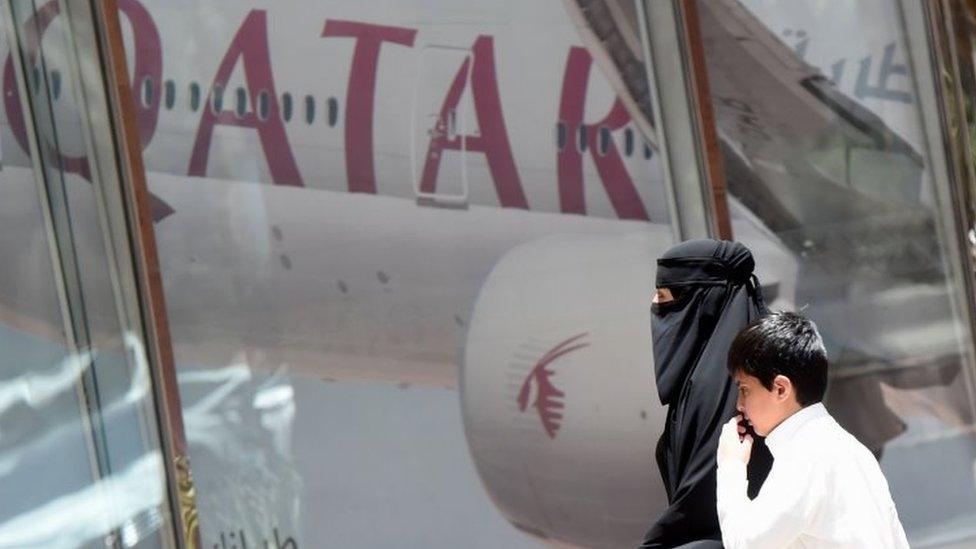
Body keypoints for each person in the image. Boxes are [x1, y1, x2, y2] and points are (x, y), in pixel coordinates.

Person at [717, 311, 910, 548]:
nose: (739, 404)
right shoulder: (847, 448)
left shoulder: (804, 456)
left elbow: (744, 543)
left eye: (744, 389)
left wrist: (731, 465)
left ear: (780, 389)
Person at [640, 239, 773, 548]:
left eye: (663, 296)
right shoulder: (704, 376)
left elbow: (701, 507)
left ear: (704, 300)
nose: (656, 306)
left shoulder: (729, 384)